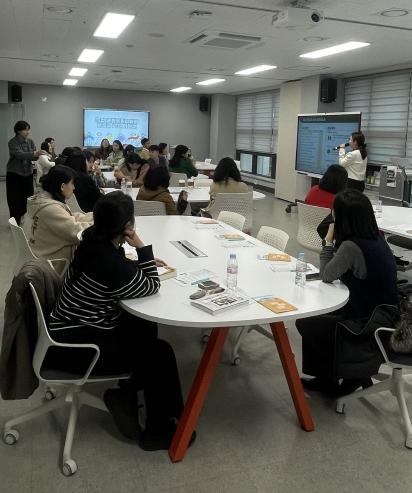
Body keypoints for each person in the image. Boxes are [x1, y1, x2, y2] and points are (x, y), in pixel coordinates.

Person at [48, 192, 189, 450]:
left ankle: (126, 393)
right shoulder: (111, 265)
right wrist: (142, 249)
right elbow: (151, 285)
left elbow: (118, 269)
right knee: (160, 353)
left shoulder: (91, 240)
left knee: (144, 325)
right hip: (76, 349)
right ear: (127, 226)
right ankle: (159, 432)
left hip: (67, 328)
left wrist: (136, 263)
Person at [296, 189, 398, 396]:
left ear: (343, 218)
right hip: (387, 313)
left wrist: (328, 241)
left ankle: (329, 379)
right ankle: (337, 373)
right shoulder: (377, 237)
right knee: (319, 317)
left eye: (334, 212)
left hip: (367, 320)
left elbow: (326, 274)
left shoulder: (351, 246)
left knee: (307, 323)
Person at [26, 165, 92, 264]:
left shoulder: (45, 200)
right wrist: (99, 223)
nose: (74, 187)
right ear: (62, 186)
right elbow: (77, 233)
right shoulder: (51, 209)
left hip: (44, 254)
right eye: (72, 183)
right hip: (52, 262)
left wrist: (96, 216)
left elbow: (69, 217)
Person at [6, 120, 46, 225]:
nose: (28, 132)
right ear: (18, 131)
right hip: (14, 173)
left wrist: (39, 155)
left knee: (28, 197)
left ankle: (24, 216)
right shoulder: (12, 142)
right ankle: (15, 221)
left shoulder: (30, 141)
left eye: (28, 129)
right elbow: (19, 155)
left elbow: (33, 157)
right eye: (25, 130)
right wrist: (34, 153)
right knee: (14, 198)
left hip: (27, 173)